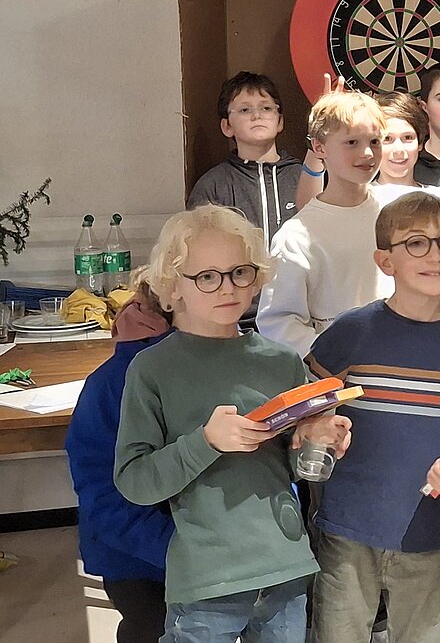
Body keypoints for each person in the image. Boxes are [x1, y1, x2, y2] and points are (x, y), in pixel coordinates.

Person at [113, 204, 351, 643]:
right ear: (173, 286)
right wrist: (206, 442)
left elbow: (296, 468)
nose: (227, 287)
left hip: (285, 568)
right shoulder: (152, 369)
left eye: (240, 272)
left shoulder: (281, 361)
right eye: (207, 276)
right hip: (207, 580)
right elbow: (135, 482)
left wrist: (317, 439)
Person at [304, 192, 440, 643]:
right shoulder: (350, 331)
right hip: (348, 529)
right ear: (385, 261)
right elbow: (305, 414)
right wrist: (314, 428)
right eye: (416, 243)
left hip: (431, 532)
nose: (435, 254)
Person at [66, 285, 173, 643]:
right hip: (134, 554)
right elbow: (103, 492)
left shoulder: (225, 367)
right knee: (153, 626)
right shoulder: (114, 384)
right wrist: (175, 547)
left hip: (200, 544)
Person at [256, 84, 392, 356]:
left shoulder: (394, 212)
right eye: (352, 142)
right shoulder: (297, 236)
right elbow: (278, 322)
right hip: (333, 370)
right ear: (319, 147)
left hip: (395, 359)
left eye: (375, 141)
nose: (367, 153)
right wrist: (336, 354)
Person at [187, 71, 323, 246]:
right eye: (245, 110)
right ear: (227, 126)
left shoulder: (304, 176)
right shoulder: (212, 186)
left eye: (266, 108)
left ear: (280, 121)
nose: (257, 115)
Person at [374, 90, 433, 201]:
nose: (398, 150)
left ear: (420, 143)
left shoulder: (438, 198)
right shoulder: (357, 200)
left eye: (407, 137)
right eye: (387, 139)